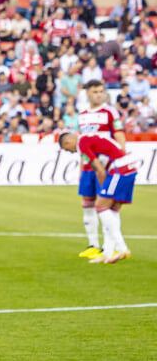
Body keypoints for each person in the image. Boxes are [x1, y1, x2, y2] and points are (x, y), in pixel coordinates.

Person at [59, 132, 134, 264]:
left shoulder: (82, 143)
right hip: (128, 167)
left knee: (100, 206)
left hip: (119, 169)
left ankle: (122, 248)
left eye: (68, 149)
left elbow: (99, 170)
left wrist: (102, 190)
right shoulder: (90, 137)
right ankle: (108, 253)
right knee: (113, 209)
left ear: (68, 142)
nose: (71, 152)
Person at [74, 81, 126, 258]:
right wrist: (82, 166)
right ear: (87, 93)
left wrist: (120, 157)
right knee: (87, 204)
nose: (99, 94)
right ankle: (93, 245)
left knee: (106, 205)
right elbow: (82, 143)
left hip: (108, 166)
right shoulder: (82, 114)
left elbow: (119, 134)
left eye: (101, 91)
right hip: (89, 166)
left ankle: (109, 246)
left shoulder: (110, 112)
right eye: (95, 91)